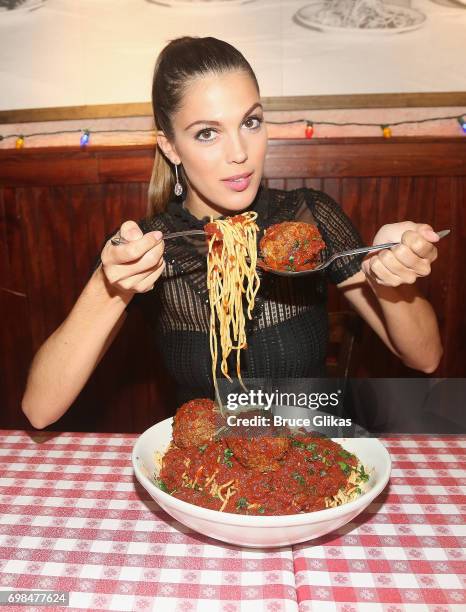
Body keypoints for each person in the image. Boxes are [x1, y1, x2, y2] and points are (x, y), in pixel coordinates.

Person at [22, 36, 443, 429]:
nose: (240, 153)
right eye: (207, 133)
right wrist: (105, 284)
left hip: (312, 453)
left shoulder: (309, 216)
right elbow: (40, 410)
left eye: (251, 122)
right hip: (207, 469)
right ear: (170, 147)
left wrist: (386, 275)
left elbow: (425, 357)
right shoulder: (148, 246)